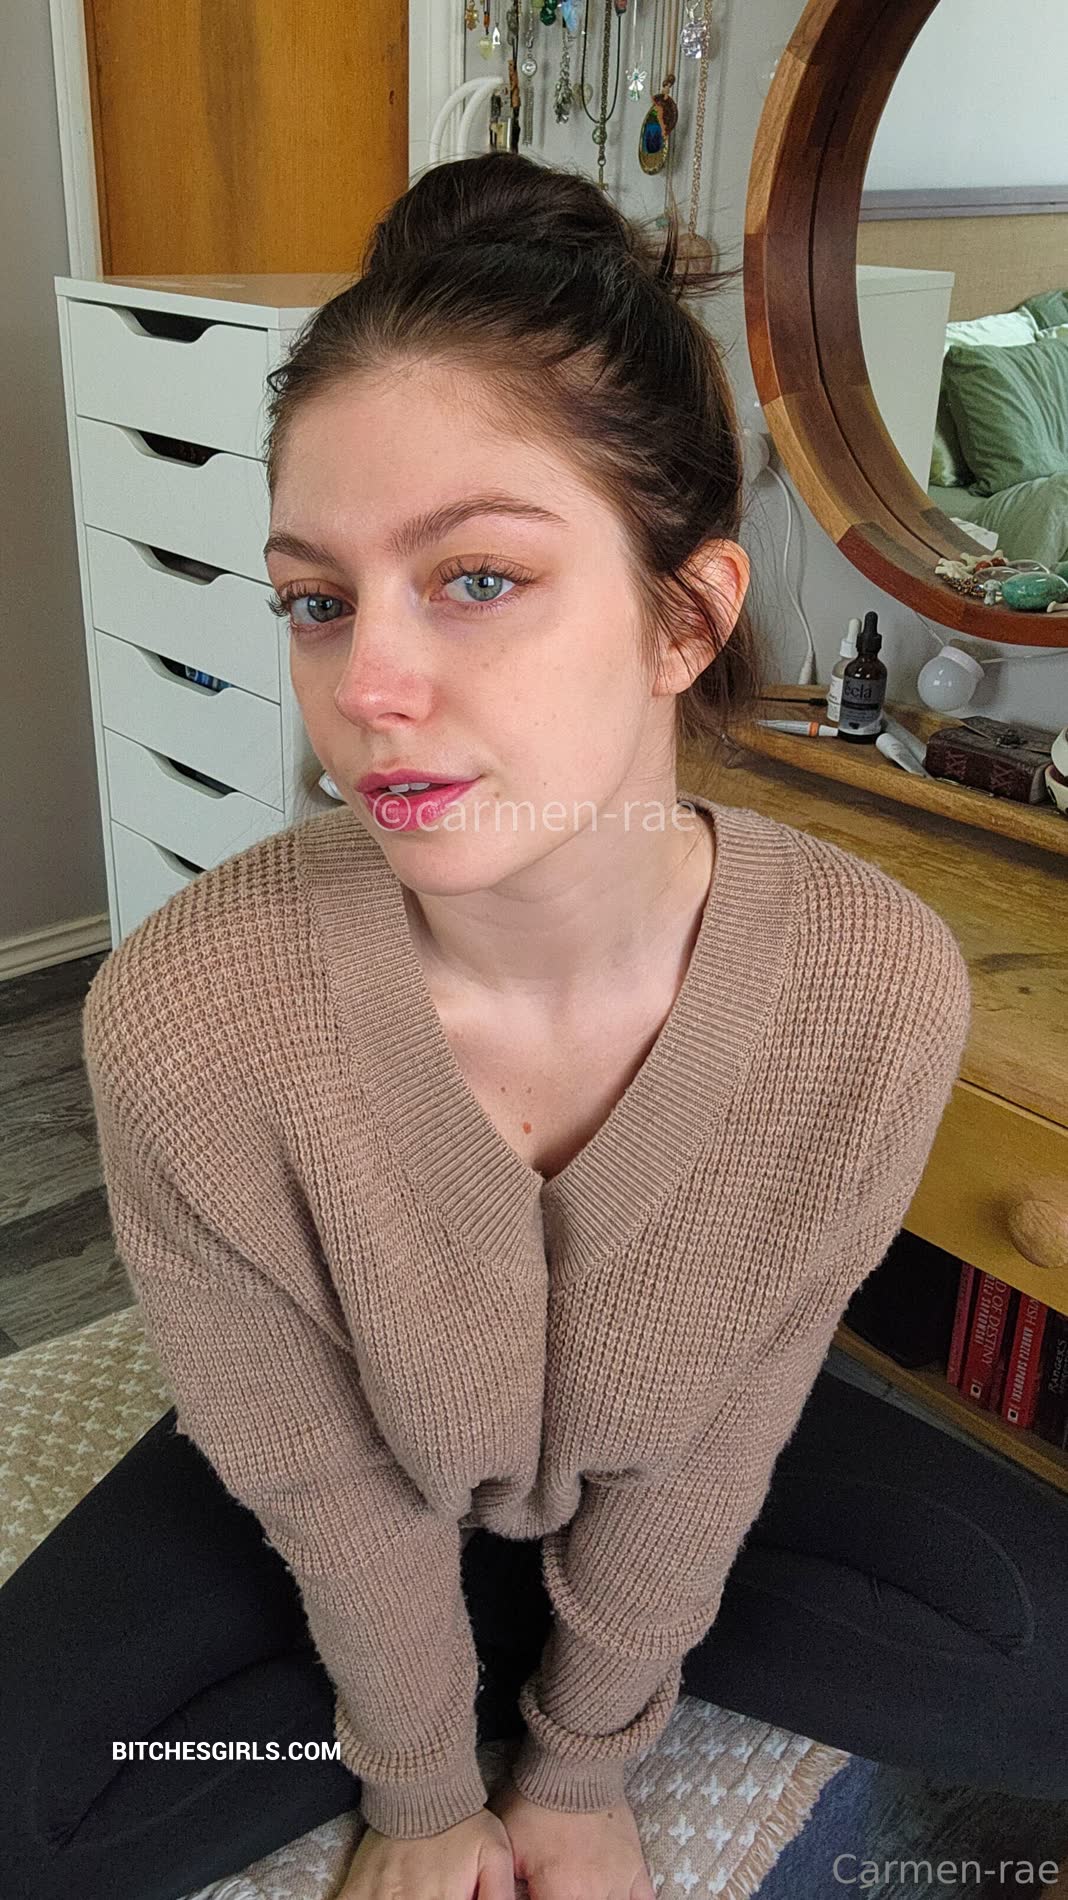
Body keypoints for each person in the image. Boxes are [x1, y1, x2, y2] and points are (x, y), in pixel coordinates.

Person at [4, 152, 1067, 1900]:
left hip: (671, 1464)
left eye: (477, 578)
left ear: (685, 617)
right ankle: (406, 1683)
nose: (368, 688)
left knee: (1041, 1660)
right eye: (317, 599)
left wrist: (581, 1767)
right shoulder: (195, 1017)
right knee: (33, 1806)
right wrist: (423, 1790)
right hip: (355, 1477)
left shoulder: (868, 988)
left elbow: (726, 1433)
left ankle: (538, 1656)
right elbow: (320, 1477)